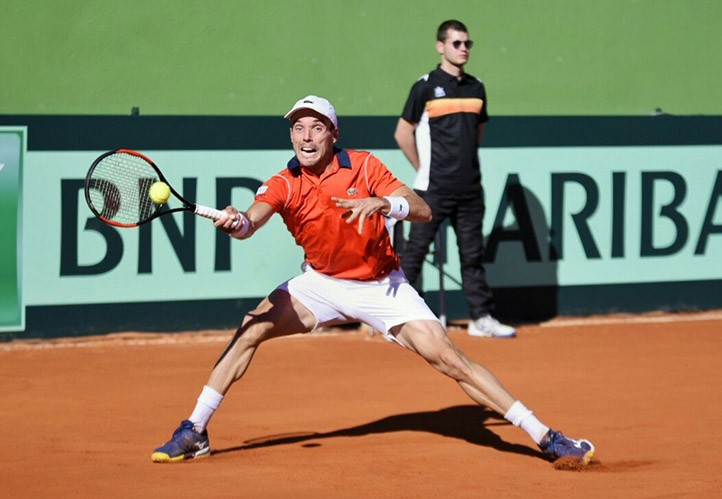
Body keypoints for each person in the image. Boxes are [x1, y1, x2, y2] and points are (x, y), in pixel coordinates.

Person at [151, 95, 594, 465]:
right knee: (251, 327)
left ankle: (545, 436)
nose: (306, 136)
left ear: (333, 134)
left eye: (316, 127)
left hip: (384, 287)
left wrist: (383, 204)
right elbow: (250, 222)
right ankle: (195, 430)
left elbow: (422, 209)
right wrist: (235, 222)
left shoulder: (363, 166)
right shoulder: (282, 183)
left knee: (449, 359)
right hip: (321, 285)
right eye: (299, 128)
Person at [394, 20, 515, 338]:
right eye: (457, 43)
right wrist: (424, 169)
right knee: (415, 253)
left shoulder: (477, 88)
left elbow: (477, 134)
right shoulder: (424, 86)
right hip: (432, 190)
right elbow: (402, 133)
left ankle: (481, 318)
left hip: (471, 190)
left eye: (467, 44)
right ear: (441, 46)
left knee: (473, 254)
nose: (463, 49)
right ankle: (395, 319)